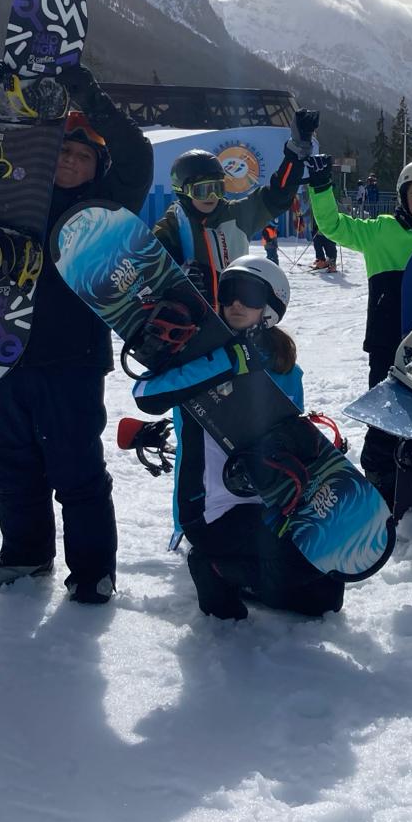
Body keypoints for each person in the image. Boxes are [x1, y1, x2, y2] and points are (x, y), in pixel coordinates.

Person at [0, 65, 154, 603]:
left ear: (96, 168)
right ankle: (25, 553)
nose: (69, 160)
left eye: (82, 156)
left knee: (76, 465)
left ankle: (93, 570)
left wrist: (89, 94)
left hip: (73, 358)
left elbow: (137, 155)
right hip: (3, 347)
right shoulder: (7, 195)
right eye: (62, 151)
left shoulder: (107, 208)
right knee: (10, 462)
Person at [136, 255, 344, 620]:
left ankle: (241, 575)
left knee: (329, 594)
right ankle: (212, 568)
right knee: (293, 570)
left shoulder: (284, 368)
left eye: (248, 295)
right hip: (210, 508)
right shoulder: (199, 355)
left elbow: (285, 441)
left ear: (269, 308)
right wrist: (229, 361)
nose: (235, 302)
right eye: (229, 292)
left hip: (263, 501)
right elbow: (146, 395)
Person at [308, 155, 412, 505]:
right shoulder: (380, 231)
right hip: (388, 342)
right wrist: (321, 186)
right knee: (385, 417)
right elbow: (332, 225)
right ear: (403, 197)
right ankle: (379, 479)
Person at [153, 109, 315, 303]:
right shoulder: (174, 223)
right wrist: (178, 275)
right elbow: (153, 263)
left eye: (218, 189)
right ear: (183, 192)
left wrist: (295, 155)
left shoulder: (236, 214)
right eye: (203, 190)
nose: (212, 197)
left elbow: (277, 195)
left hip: (235, 310)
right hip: (193, 314)